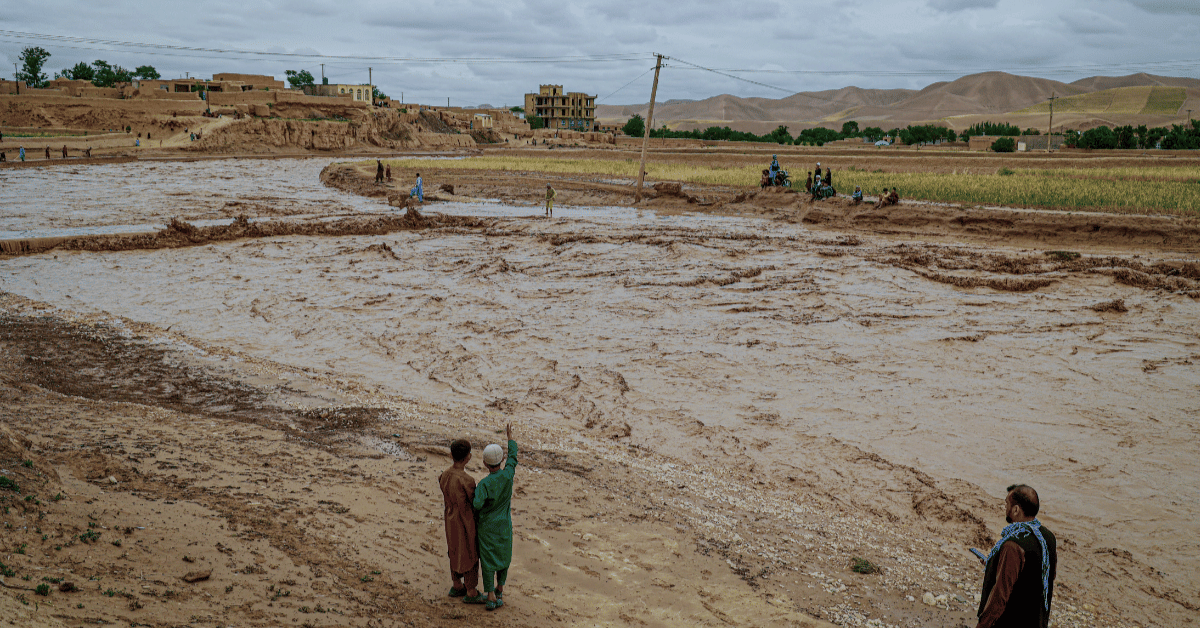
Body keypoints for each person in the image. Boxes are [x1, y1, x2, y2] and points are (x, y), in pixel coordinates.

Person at [973, 485, 1057, 628]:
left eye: (1007, 503)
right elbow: (1047, 575)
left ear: (1016, 510)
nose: (1005, 507)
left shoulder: (1012, 545)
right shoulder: (1048, 537)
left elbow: (1000, 596)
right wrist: (995, 564)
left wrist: (982, 625)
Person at [473, 424, 518, 611]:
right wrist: (510, 439)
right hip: (504, 526)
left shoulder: (484, 484)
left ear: (485, 464)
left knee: (488, 560)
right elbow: (513, 459)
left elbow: (476, 505)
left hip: (487, 527)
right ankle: (500, 589)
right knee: (503, 556)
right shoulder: (508, 476)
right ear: (501, 461)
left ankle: (490, 595)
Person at [440, 439, 486, 605]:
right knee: (470, 553)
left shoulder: (444, 475)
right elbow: (474, 503)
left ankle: (456, 584)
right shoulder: (467, 480)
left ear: (451, 455)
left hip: (450, 518)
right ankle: (471, 591)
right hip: (465, 521)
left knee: (453, 549)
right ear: (468, 457)